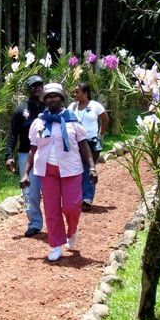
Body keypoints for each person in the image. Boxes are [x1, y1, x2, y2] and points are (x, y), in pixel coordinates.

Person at [20, 83, 98, 262]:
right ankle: (55, 245)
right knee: (51, 209)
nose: (52, 99)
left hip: (71, 169)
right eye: (48, 96)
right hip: (47, 171)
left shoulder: (72, 119)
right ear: (44, 100)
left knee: (71, 206)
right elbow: (32, 149)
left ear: (62, 98)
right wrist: (26, 173)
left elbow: (83, 144)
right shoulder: (39, 122)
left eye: (56, 96)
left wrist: (92, 167)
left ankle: (72, 231)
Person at [5, 75, 46, 237]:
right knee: (29, 191)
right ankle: (35, 223)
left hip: (47, 154)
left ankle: (55, 222)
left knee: (50, 190)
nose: (37, 88)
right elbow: (12, 135)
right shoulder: (21, 110)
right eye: (33, 86)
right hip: (25, 154)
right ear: (28, 89)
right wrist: (9, 156)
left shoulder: (48, 107)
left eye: (39, 85)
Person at [67, 82, 109, 210]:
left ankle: (87, 198)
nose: (75, 94)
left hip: (91, 142)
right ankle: (79, 196)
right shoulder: (72, 107)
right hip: (75, 143)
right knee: (77, 169)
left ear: (85, 93)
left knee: (88, 168)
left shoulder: (95, 106)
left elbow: (105, 119)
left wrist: (100, 134)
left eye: (77, 92)